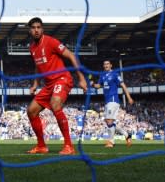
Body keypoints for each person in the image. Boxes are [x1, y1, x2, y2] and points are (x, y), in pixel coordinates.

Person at [25, 17, 87, 155]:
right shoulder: (32, 48)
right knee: (31, 111)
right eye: (33, 28)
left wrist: (81, 78)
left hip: (62, 79)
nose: (36, 30)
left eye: (38, 27)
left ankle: (69, 146)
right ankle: (41, 146)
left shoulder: (51, 41)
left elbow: (71, 55)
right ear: (29, 30)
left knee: (55, 104)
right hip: (48, 85)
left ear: (42, 29)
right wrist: (35, 84)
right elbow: (37, 66)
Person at [90, 59, 134, 148]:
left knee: (109, 120)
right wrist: (93, 84)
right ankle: (127, 135)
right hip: (107, 101)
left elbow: (123, 85)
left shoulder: (115, 74)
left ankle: (111, 142)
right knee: (108, 122)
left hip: (113, 100)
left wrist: (129, 97)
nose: (106, 65)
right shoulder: (102, 75)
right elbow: (99, 86)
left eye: (107, 64)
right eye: (104, 64)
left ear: (111, 65)